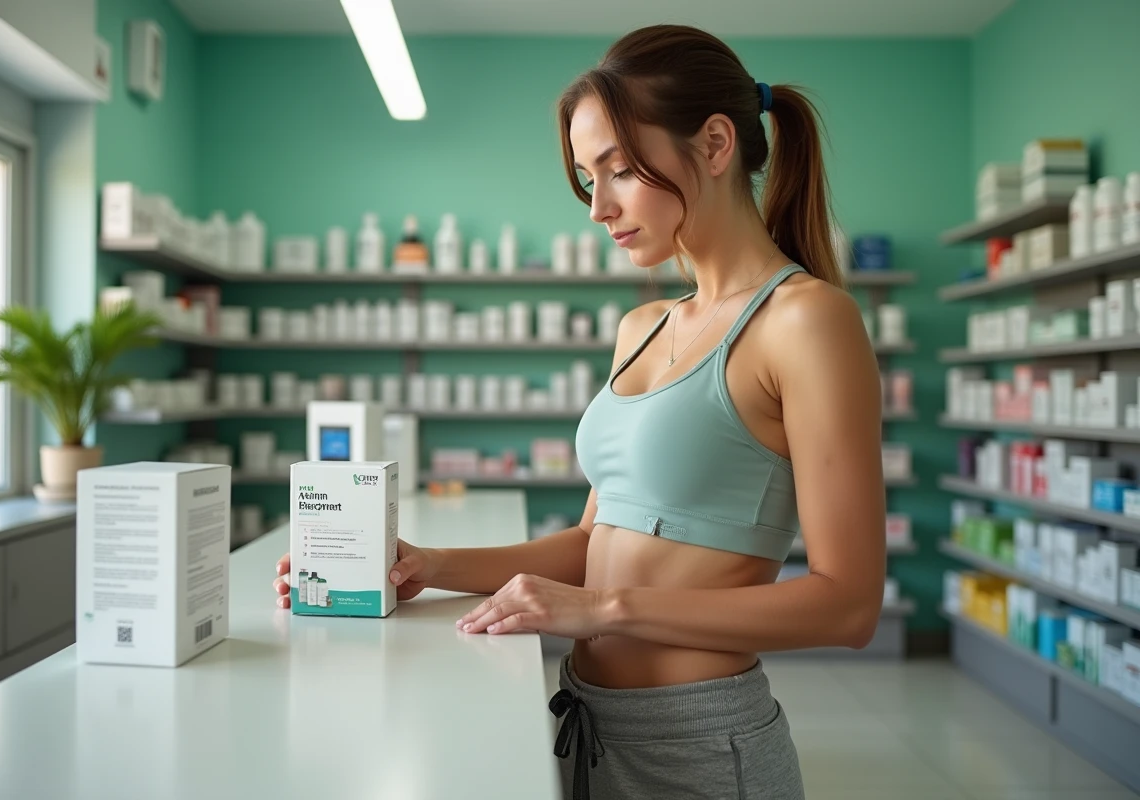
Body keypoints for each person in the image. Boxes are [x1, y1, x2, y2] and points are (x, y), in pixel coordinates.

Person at [274, 23, 885, 800]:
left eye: (620, 170)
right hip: (587, 722)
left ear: (717, 142)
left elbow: (849, 604)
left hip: (697, 745)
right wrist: (427, 567)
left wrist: (603, 608)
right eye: (586, 179)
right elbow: (596, 539)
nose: (599, 208)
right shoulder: (643, 326)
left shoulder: (804, 321)